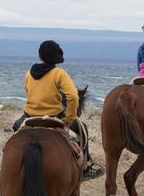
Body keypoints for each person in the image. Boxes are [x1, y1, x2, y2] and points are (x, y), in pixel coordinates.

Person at [12, 40, 104, 180]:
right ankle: (85, 169)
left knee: (15, 128)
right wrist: (69, 118)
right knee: (83, 128)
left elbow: (29, 92)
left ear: (40, 55)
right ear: (56, 58)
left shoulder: (29, 73)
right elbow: (73, 96)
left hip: (29, 116)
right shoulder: (59, 73)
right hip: (54, 116)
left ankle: (14, 163)